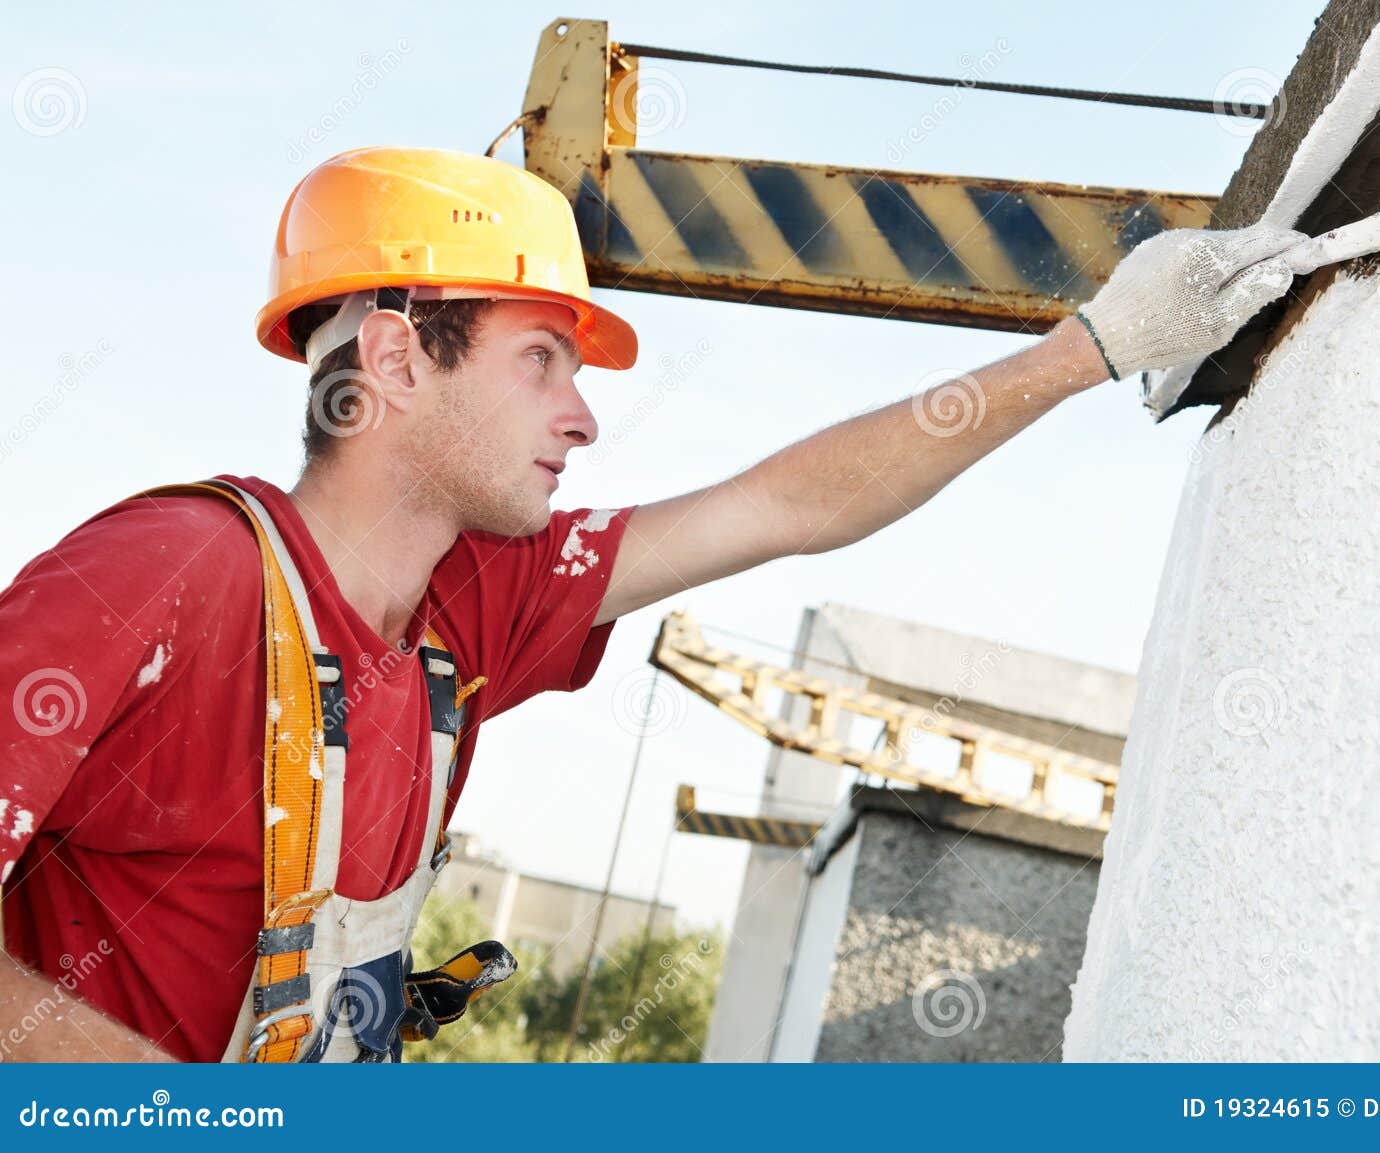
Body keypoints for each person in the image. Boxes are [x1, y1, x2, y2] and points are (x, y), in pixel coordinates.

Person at [0, 146, 1302, 1062]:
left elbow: (785, 505)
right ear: (395, 354)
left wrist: (1088, 349)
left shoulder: (470, 611)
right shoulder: (167, 576)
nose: (582, 414)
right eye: (538, 363)